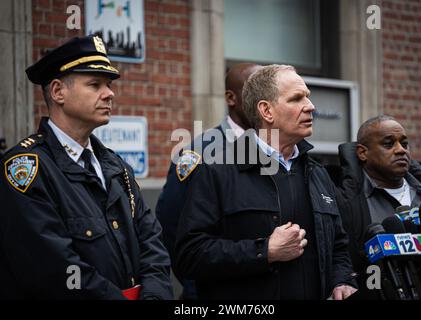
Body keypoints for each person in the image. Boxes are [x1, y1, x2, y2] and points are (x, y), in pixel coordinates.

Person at [0, 35, 173, 299]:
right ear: (58, 92)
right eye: (95, 84)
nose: (110, 93)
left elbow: (152, 244)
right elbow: (55, 270)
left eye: (109, 84)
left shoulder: (117, 168)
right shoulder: (26, 170)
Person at [173, 64, 357, 300]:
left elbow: (338, 246)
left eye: (308, 97)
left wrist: (341, 281)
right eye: (297, 99)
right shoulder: (216, 170)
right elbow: (189, 255)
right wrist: (265, 251)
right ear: (266, 111)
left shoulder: (317, 173)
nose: (310, 107)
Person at [155, 63, 262, 299]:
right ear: (231, 98)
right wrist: (195, 285)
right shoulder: (199, 152)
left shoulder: (275, 148)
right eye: (253, 89)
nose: (262, 98)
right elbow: (171, 224)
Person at [336, 115, 421, 298]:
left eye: (404, 144)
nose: (400, 150)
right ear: (362, 153)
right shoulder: (347, 204)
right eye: (389, 144)